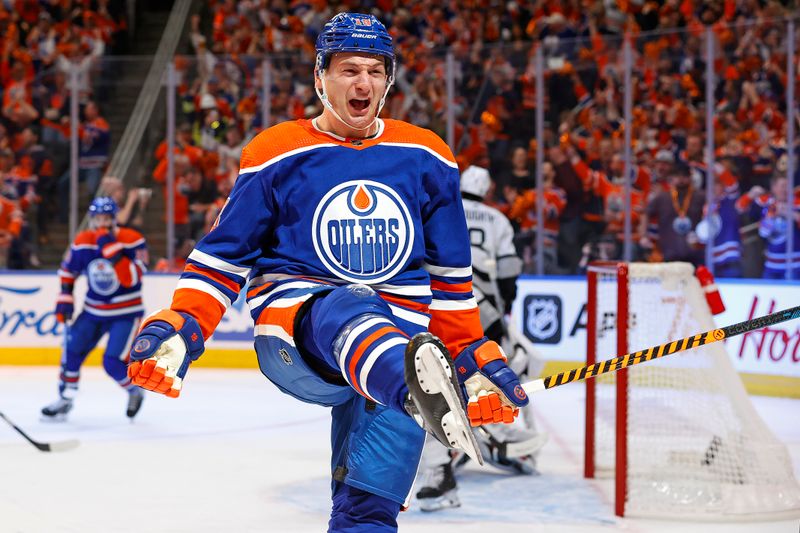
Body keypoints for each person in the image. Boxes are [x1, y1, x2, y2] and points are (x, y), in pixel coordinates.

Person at [125, 13, 529, 532]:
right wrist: (186, 322)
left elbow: (450, 279)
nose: (363, 83)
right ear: (320, 77)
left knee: (368, 512)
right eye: (348, 70)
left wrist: (470, 354)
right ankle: (416, 391)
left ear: (388, 81)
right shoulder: (275, 152)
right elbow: (224, 256)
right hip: (300, 335)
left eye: (375, 72)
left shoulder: (427, 155)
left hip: (400, 346)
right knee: (350, 305)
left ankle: (411, 392)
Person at [415, 165, 546, 512]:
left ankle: (449, 452)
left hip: (438, 304)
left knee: (432, 379)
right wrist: (503, 310)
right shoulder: (497, 219)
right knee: (518, 360)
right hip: (477, 306)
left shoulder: (438, 210)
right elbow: (508, 272)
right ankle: (492, 431)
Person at [41, 197, 148, 420]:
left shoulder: (132, 239)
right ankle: (66, 399)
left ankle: (134, 390)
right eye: (98, 217)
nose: (102, 222)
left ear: (114, 218)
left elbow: (132, 277)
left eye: (107, 217)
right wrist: (65, 297)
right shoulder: (83, 241)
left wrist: (111, 248)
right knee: (71, 352)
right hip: (93, 311)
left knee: (112, 362)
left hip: (125, 314)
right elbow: (68, 271)